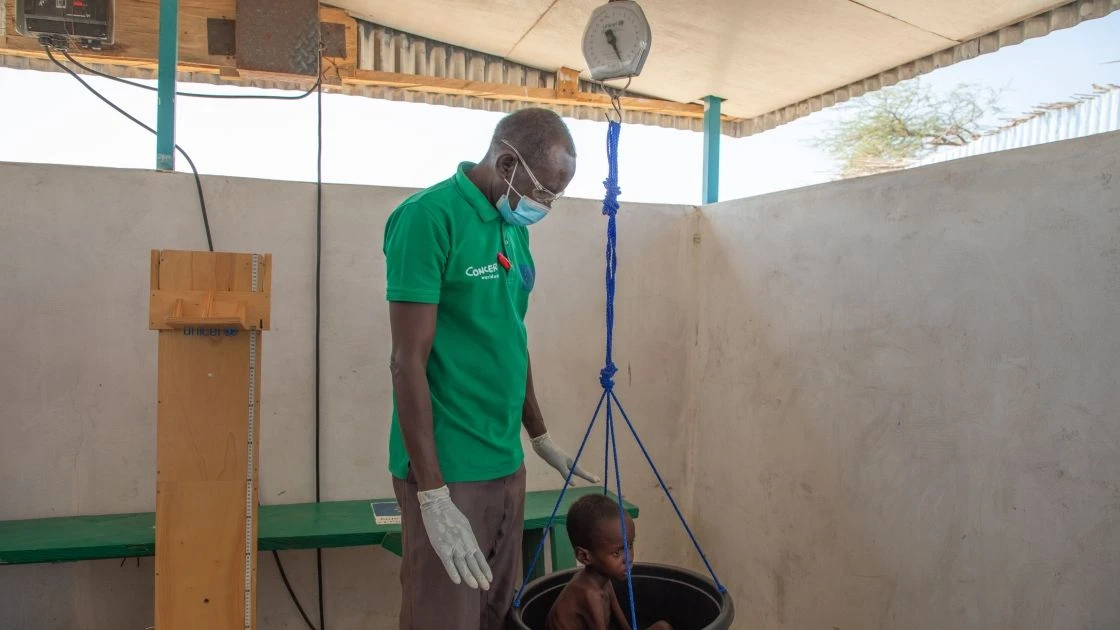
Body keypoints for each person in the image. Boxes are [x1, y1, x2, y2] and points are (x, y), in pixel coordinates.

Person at [382, 107, 601, 630]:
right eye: (545, 191)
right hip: (451, 466)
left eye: (555, 196)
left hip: (506, 462)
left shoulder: (512, 228)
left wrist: (539, 434)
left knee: (496, 615)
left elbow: (511, 336)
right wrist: (433, 496)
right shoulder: (427, 217)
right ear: (506, 163)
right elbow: (405, 360)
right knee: (444, 618)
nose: (546, 205)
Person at [545, 494, 672, 630]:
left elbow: (624, 625)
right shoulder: (589, 594)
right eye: (616, 553)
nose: (628, 558)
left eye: (629, 545)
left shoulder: (604, 580)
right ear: (584, 556)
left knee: (663, 627)